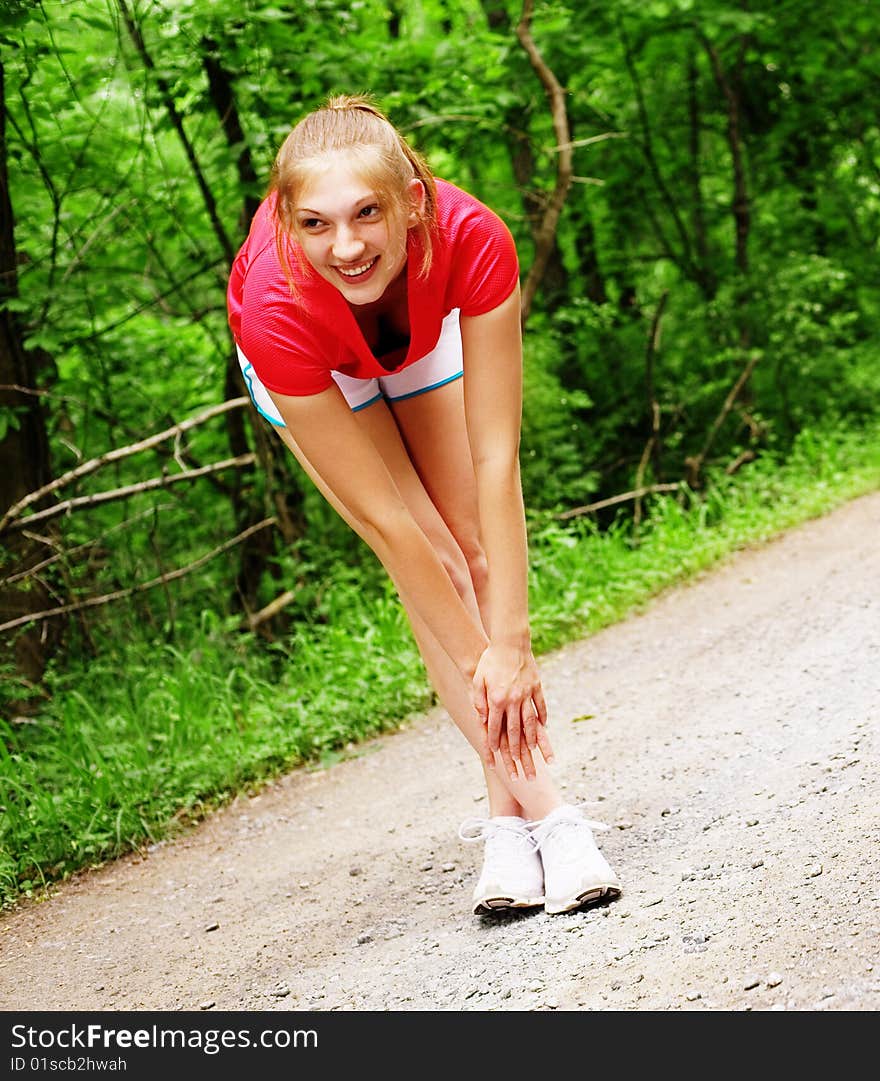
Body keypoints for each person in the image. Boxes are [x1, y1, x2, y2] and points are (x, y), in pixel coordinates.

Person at [227, 93, 621, 916]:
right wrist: (494, 661)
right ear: (290, 228)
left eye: (368, 212)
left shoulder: (473, 237)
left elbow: (496, 456)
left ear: (412, 201)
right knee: (433, 559)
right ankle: (550, 815)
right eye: (316, 223)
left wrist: (510, 643)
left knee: (473, 551)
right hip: (313, 359)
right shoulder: (276, 298)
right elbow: (389, 525)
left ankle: (507, 832)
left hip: (421, 324)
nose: (346, 243)